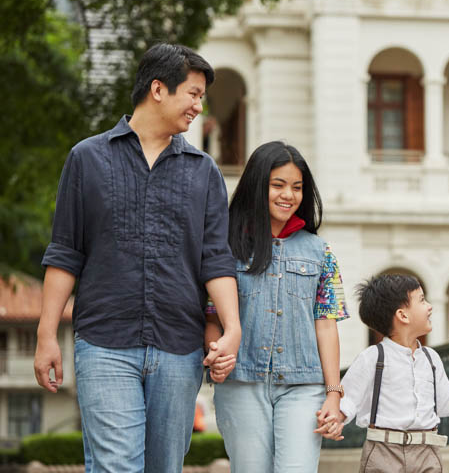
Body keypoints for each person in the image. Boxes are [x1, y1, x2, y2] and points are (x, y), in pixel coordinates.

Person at [33, 43, 241, 472]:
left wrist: (232, 328)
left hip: (179, 348)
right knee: (115, 466)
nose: (199, 107)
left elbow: (216, 260)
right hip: (104, 342)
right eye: (194, 93)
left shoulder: (204, 172)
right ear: (158, 89)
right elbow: (65, 252)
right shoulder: (87, 159)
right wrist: (46, 334)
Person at [205, 141, 349, 472]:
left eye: (297, 188)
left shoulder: (321, 252)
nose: (289, 195)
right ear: (258, 186)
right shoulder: (226, 246)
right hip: (242, 382)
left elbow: (326, 325)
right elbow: (211, 315)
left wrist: (333, 393)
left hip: (304, 387)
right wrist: (215, 356)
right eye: (278, 185)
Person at [329, 274, 449, 473]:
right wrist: (336, 420)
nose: (430, 306)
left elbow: (443, 402)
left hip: (427, 451)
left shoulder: (431, 358)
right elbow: (348, 400)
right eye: (421, 300)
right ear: (403, 315)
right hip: (382, 451)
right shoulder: (372, 357)